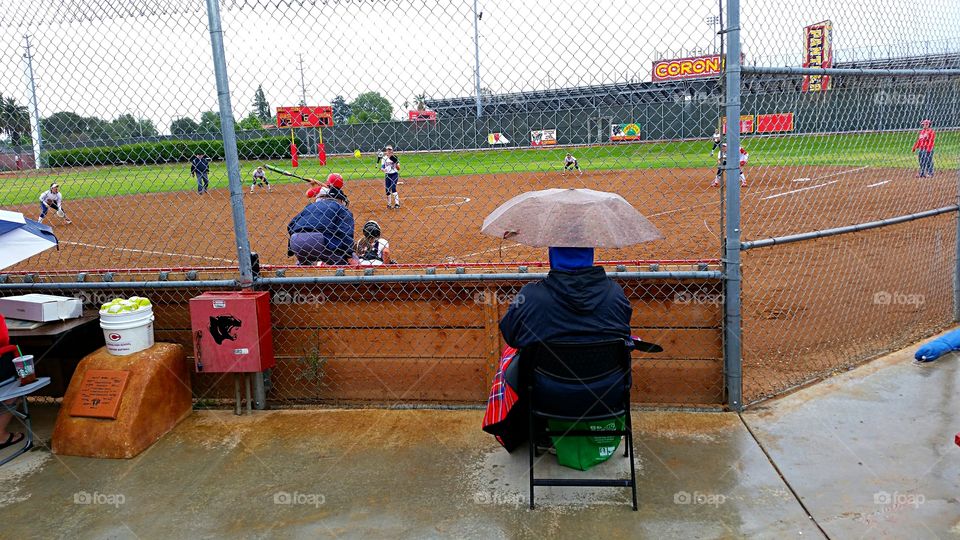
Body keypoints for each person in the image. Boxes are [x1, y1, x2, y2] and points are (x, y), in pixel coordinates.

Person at [482, 247, 633, 451]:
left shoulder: (532, 296)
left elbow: (511, 335)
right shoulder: (615, 294)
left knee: (514, 353)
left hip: (548, 397)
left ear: (553, 256)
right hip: (607, 395)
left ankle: (537, 433)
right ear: (590, 254)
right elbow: (624, 332)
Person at [287, 175, 354, 266]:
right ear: (341, 200)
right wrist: (349, 255)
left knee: (305, 265)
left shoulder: (311, 206)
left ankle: (299, 271)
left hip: (296, 240)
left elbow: (291, 224)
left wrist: (312, 186)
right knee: (342, 263)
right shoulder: (341, 208)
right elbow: (345, 233)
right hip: (320, 238)